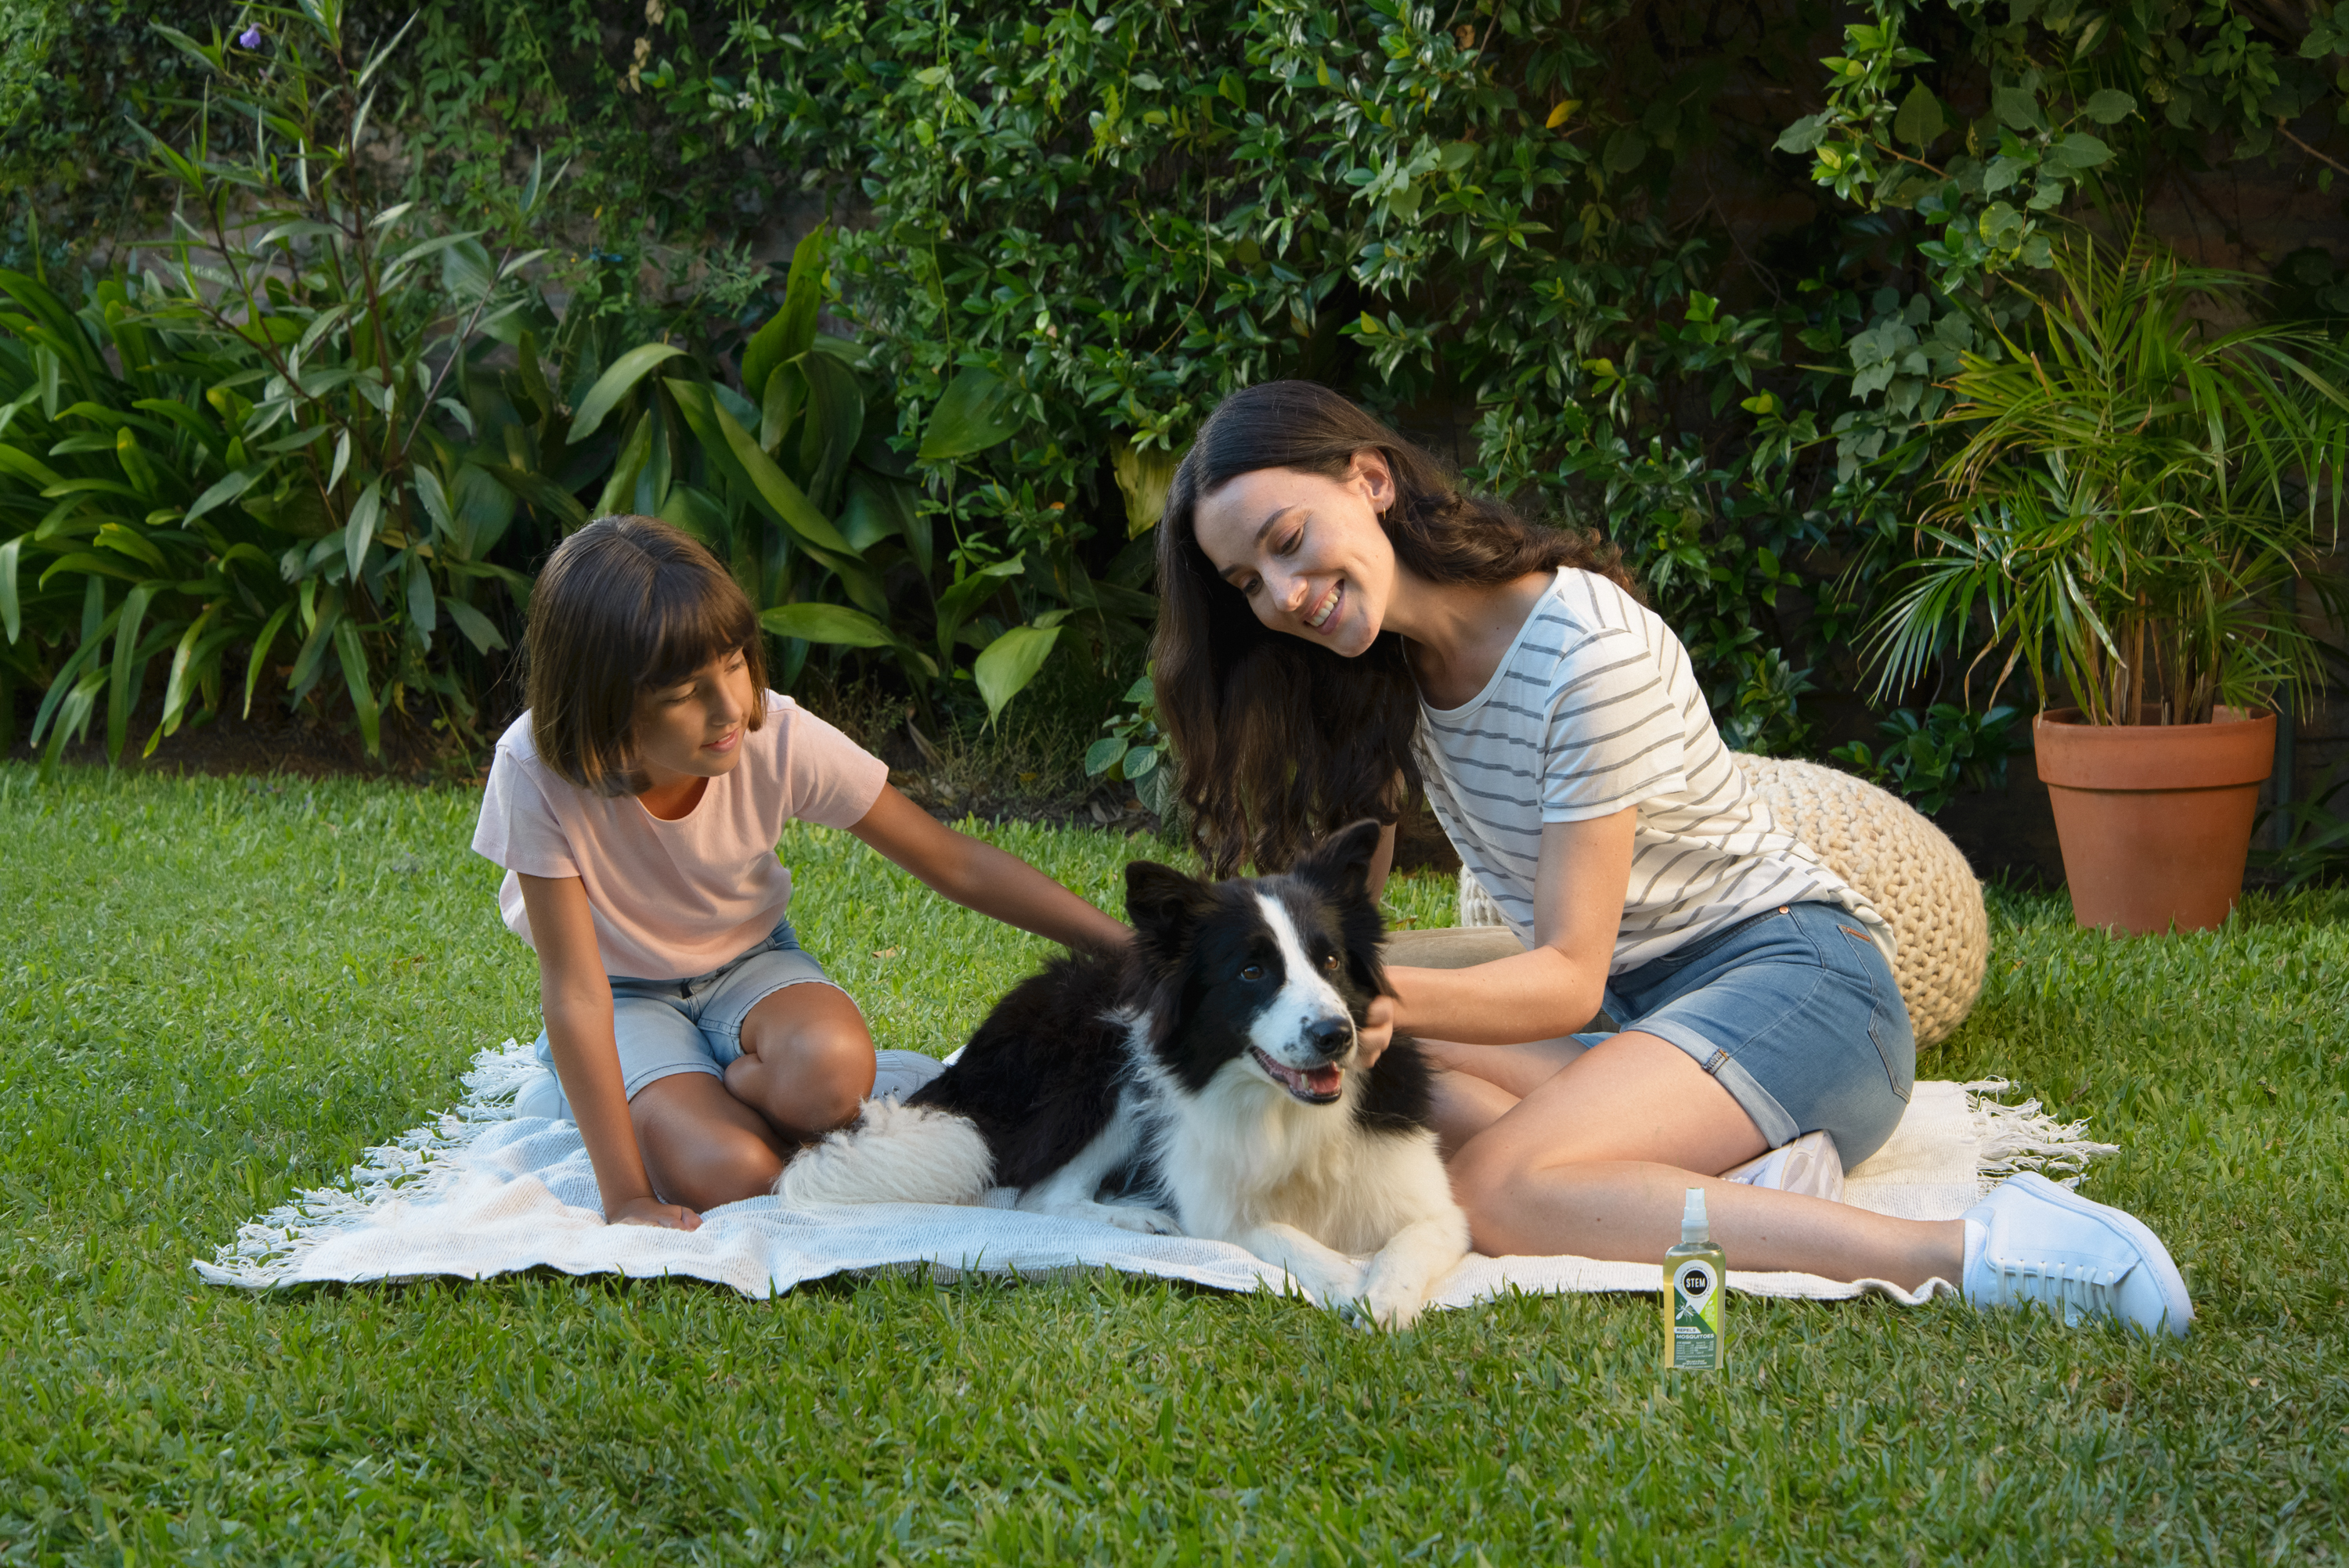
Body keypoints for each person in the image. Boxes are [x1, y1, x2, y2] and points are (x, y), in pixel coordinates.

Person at [1153, 380, 2192, 1335]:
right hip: (1638, 1021)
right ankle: (1748, 1177)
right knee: (1395, 1074)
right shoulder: (1384, 678)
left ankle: (1970, 1248)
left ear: (1370, 480)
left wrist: (1378, 999)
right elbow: (1348, 942)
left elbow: (1563, 974)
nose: (1283, 593)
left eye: (1289, 540)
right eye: (1250, 579)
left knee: (1504, 1188)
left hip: (1802, 988)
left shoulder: (1583, 650)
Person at [474, 516, 1128, 1230]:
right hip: (622, 995)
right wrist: (626, 1196)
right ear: (604, 702)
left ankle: (709, 1083)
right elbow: (576, 993)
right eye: (684, 692)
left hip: (750, 967)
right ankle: (619, 1092)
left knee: (833, 1073)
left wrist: (1128, 946)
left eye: (734, 661)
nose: (730, 706)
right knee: (738, 1177)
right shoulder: (536, 770)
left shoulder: (772, 733)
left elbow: (954, 860)